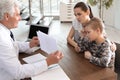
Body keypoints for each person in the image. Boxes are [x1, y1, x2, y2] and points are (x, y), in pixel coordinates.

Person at [0, 0, 63, 80]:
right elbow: (18, 72)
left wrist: (30, 44)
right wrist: (48, 62)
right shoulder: (1, 39)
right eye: (17, 15)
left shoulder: (4, 31)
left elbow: (12, 44)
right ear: (7, 16)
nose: (20, 18)